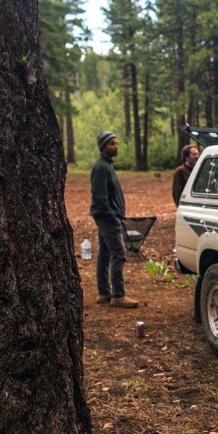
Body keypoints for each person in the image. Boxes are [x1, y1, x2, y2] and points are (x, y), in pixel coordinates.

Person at [89, 131, 139, 308]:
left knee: (105, 253)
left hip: (109, 216)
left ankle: (104, 293)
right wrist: (113, 217)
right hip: (107, 218)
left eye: (117, 143)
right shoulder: (101, 167)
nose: (116, 146)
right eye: (112, 144)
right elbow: (100, 199)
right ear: (103, 146)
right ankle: (118, 295)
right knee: (119, 254)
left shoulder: (107, 165)